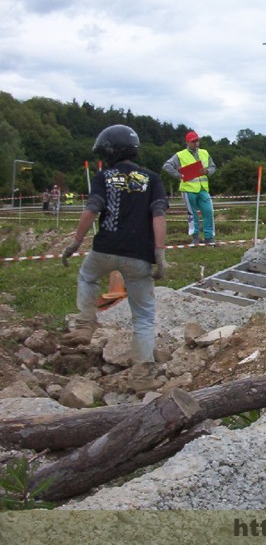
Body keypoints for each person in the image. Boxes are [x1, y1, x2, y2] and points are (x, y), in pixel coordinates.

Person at [61, 125, 169, 394]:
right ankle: (143, 378)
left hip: (104, 250)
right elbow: (158, 216)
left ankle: (86, 324)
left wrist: (75, 242)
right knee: (143, 318)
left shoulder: (103, 176)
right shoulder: (152, 178)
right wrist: (160, 254)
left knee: (87, 276)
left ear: (110, 152)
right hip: (138, 257)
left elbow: (91, 210)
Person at [162, 131, 216, 245]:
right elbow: (167, 166)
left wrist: (207, 171)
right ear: (187, 142)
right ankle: (195, 237)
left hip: (203, 188)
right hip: (188, 189)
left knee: (208, 212)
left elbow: (213, 166)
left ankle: (209, 237)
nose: (196, 143)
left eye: (197, 140)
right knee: (193, 214)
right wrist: (180, 175)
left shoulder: (204, 153)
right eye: (193, 141)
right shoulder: (180, 155)